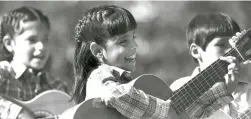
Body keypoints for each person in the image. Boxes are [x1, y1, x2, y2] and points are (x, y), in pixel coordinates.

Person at [69, 5, 240, 119]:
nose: (134, 45)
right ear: (98, 51)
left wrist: (224, 90)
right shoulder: (100, 76)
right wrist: (166, 110)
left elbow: (182, 114)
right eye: (123, 42)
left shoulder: (132, 87)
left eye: (133, 38)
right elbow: (113, 94)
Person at [170, 12, 246, 119]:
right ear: (196, 51)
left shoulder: (247, 93)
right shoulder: (179, 87)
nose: (230, 51)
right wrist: (224, 91)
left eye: (233, 46)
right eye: (221, 44)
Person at [0, 6, 69, 119]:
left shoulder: (56, 87)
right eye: (32, 40)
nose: (41, 47)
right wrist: (20, 114)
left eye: (45, 39)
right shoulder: (4, 72)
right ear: (9, 44)